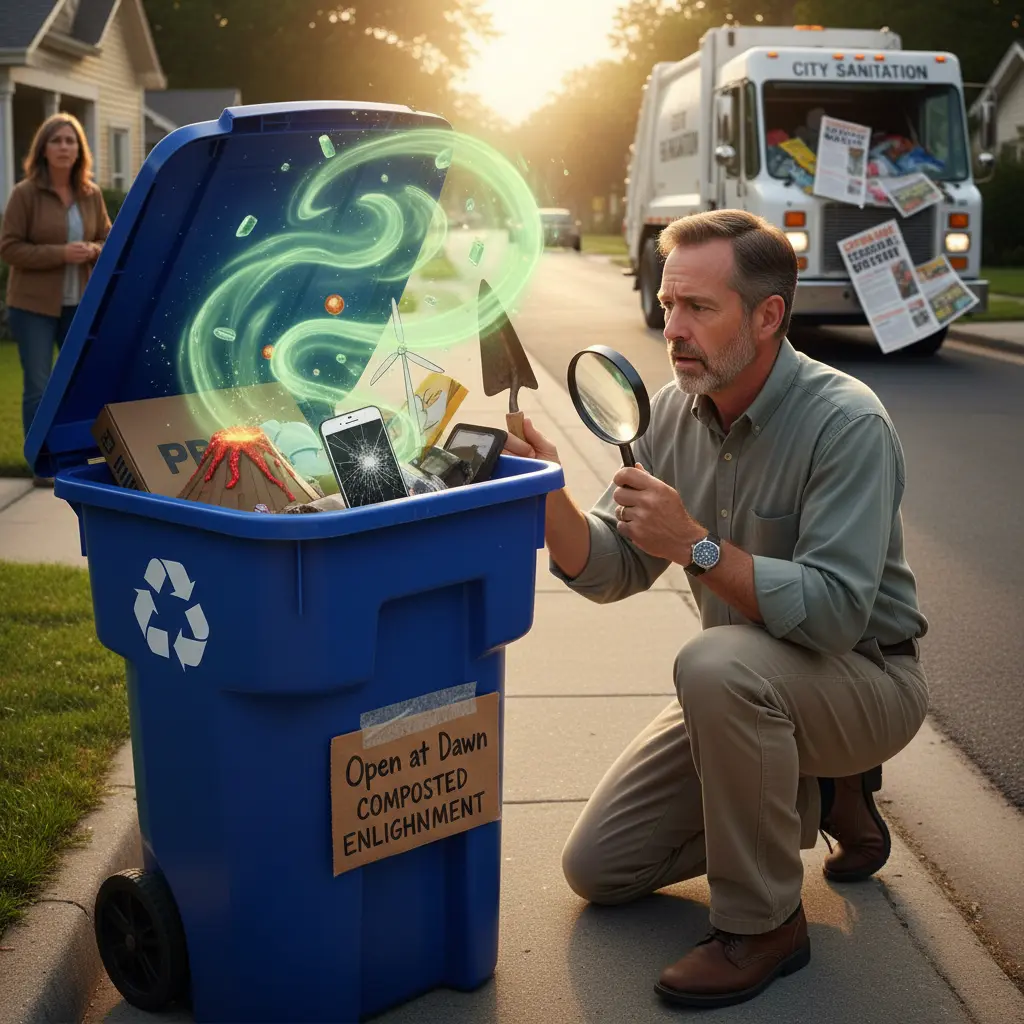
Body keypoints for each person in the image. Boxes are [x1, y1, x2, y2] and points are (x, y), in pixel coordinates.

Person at [504, 209, 928, 1009]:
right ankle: (822, 787)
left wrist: (696, 544)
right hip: (747, 688)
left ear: (767, 315)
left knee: (713, 664)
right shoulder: (670, 410)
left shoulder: (848, 423)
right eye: (668, 305)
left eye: (699, 307)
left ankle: (764, 924)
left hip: (864, 680)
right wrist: (548, 493)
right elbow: (612, 565)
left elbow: (836, 617)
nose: (674, 328)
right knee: (599, 869)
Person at [0, 113, 111, 485]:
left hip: (78, 304)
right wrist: (61, 254)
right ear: (43, 149)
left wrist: (92, 249)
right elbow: (9, 248)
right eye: (57, 140)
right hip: (31, 306)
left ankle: (76, 457)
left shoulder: (91, 194)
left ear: (80, 150)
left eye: (71, 140)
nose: (65, 147)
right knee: (38, 385)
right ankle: (41, 464)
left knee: (79, 383)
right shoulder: (24, 194)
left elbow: (110, 241)